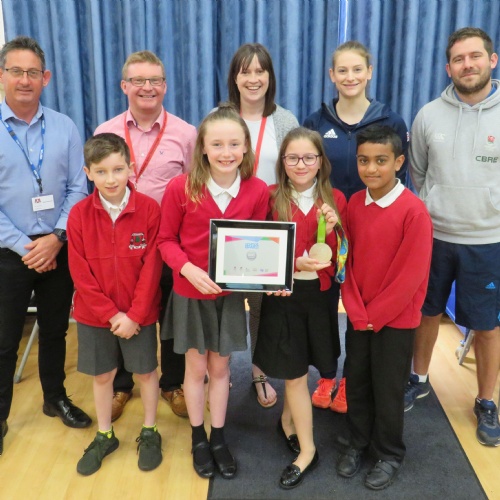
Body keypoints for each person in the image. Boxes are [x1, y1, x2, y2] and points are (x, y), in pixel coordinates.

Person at [158, 104, 269, 479]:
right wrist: (188, 269)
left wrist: (264, 278)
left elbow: (258, 244)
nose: (226, 152)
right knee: (196, 368)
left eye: (234, 144)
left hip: (229, 297)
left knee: (221, 368)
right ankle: (198, 437)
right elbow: (165, 240)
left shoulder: (257, 191)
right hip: (191, 295)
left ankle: (218, 437)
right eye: (217, 144)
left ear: (245, 147)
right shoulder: (181, 187)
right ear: (202, 148)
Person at [303, 40, 410, 413]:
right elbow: (305, 172)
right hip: (325, 230)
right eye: (342, 70)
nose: (350, 77)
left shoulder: (391, 121)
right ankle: (327, 374)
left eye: (357, 69)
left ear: (369, 73)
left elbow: (399, 180)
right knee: (324, 305)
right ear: (332, 75)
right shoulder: (315, 123)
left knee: (361, 305)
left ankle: (352, 377)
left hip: (370, 231)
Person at [407, 27, 500, 447]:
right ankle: (418, 378)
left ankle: (486, 401)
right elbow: (419, 172)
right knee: (426, 312)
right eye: (459, 59)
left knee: (487, 325)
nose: (467, 65)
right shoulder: (429, 115)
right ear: (448, 68)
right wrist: (435, 204)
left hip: (489, 239)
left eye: (475, 56)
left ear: (491, 60)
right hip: (435, 236)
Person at [0, 36, 91, 456]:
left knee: (55, 330)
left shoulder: (64, 126)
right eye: (16, 71)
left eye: (32, 72)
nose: (25, 80)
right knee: (5, 341)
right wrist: (26, 246)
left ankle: (54, 397)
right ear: (2, 75)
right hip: (8, 253)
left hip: (58, 246)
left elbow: (78, 187)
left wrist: (55, 238)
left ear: (46, 77)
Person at [95, 50, 197, 420]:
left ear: (165, 86)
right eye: (138, 80)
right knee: (123, 310)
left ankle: (172, 383)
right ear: (125, 86)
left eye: (154, 80)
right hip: (120, 244)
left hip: (169, 243)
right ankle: (122, 385)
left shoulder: (186, 134)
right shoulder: (105, 132)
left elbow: (194, 189)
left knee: (170, 314)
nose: (147, 87)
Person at [338, 125, 432, 490]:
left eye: (380, 160)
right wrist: (356, 311)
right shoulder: (353, 205)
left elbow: (410, 277)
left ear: (399, 162)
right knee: (357, 381)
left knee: (388, 388)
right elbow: (346, 262)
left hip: (395, 321)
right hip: (360, 318)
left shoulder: (414, 211)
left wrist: (373, 317)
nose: (371, 168)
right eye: (363, 161)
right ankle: (357, 442)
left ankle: (389, 452)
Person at [254, 127, 348, 489]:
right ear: (282, 162)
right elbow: (260, 249)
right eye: (292, 157)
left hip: (321, 297)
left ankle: (287, 422)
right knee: (293, 373)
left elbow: (342, 259)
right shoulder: (270, 197)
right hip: (285, 297)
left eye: (309, 157)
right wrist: (291, 264)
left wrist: (337, 230)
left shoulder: (336, 199)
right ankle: (308, 451)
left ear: (321, 162)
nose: (301, 164)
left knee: (306, 362)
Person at [67, 133, 163, 475]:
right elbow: (80, 273)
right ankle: (105, 434)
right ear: (88, 173)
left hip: (139, 315)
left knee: (146, 373)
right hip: (95, 317)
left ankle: (150, 431)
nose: (111, 179)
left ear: (130, 168)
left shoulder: (149, 209)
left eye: (118, 169)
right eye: (101, 171)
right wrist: (111, 314)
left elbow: (152, 268)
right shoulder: (78, 214)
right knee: (103, 375)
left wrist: (134, 315)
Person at [227, 42, 299, 408]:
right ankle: (220, 370)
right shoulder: (220, 116)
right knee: (222, 305)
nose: (253, 79)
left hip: (269, 230)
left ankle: (258, 372)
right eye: (246, 72)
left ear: (270, 77)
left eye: (260, 71)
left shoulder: (285, 120)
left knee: (260, 308)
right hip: (227, 229)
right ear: (234, 78)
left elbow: (296, 175)